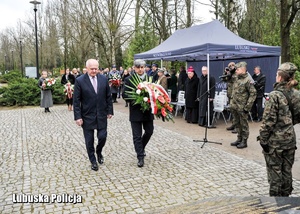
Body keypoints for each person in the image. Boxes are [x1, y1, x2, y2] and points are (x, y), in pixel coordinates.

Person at [258, 62, 300, 196]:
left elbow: (268, 121)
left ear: (280, 78)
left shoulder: (275, 95)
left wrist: (263, 140)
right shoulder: (297, 94)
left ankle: (276, 203)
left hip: (275, 143)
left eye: (277, 74)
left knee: (275, 173)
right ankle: (286, 201)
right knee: (287, 172)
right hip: (290, 140)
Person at [73, 59, 114, 171]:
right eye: (92, 69)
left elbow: (108, 96)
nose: (94, 71)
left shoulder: (103, 79)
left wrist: (110, 111)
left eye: (96, 68)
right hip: (87, 116)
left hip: (101, 114)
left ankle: (99, 151)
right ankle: (93, 161)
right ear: (86, 68)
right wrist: (78, 117)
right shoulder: (80, 81)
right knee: (89, 140)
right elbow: (76, 101)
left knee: (102, 136)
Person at [123, 59, 154, 168]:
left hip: (147, 112)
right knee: (136, 135)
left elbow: (155, 92)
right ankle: (140, 157)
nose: (140, 69)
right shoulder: (129, 80)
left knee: (149, 131)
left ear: (145, 67)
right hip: (136, 112)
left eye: (142, 67)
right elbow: (124, 95)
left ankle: (141, 147)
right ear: (134, 68)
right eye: (138, 67)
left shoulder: (149, 79)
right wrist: (136, 98)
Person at [230, 62, 256, 149]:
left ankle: (244, 141)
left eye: (237, 69)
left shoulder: (248, 80)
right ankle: (239, 138)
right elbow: (228, 79)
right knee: (237, 123)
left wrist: (247, 107)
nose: (236, 71)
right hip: (235, 106)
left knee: (243, 124)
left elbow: (253, 94)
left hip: (242, 107)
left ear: (243, 70)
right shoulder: (236, 78)